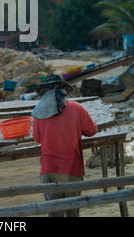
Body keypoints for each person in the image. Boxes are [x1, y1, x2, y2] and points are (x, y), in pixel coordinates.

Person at [32, 74, 98, 217]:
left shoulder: (39, 112)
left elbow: (37, 138)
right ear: (63, 90)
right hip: (71, 170)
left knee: (54, 214)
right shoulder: (76, 108)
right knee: (72, 213)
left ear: (45, 92)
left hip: (48, 170)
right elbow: (92, 131)